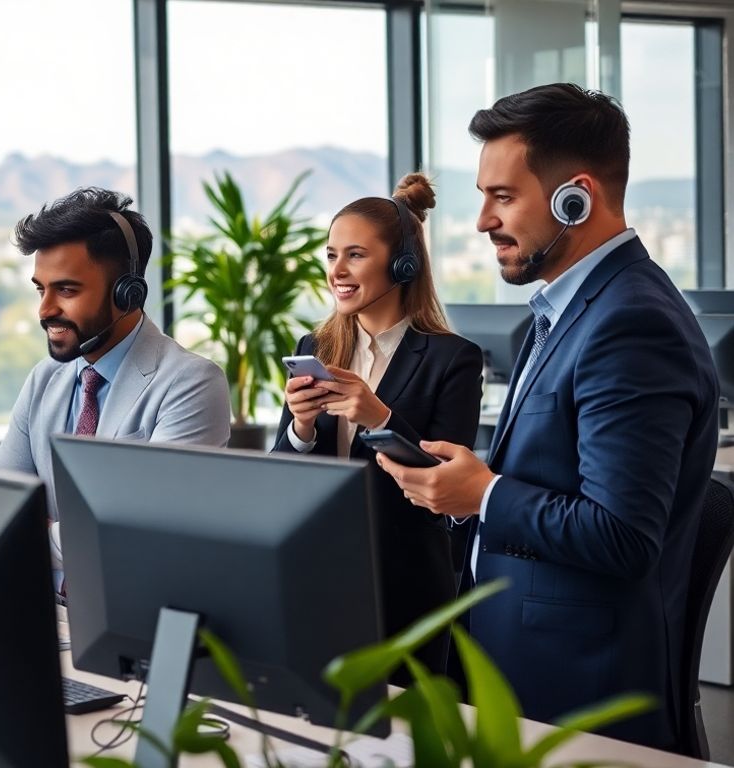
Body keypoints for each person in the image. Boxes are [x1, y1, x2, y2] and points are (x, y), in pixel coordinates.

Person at [377, 83, 718, 749]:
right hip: (518, 672)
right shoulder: (560, 313)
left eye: (502, 197)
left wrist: (487, 493)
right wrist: (464, 492)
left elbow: (622, 535)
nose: (481, 221)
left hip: (582, 701)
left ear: (576, 198)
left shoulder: (632, 323)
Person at [272, 172, 482, 677]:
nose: (337, 270)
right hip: (319, 581)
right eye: (331, 254)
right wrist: (300, 430)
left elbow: (445, 489)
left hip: (403, 587)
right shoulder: (315, 350)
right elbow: (282, 476)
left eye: (355, 255)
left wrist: (381, 418)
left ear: (402, 263)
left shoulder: (453, 359)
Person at [0, 188, 230, 573]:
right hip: (39, 609)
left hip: (133, 614)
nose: (45, 309)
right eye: (41, 289)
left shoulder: (192, 383)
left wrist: (36, 532)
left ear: (127, 293)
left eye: (67, 290)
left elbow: (139, 533)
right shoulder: (43, 379)